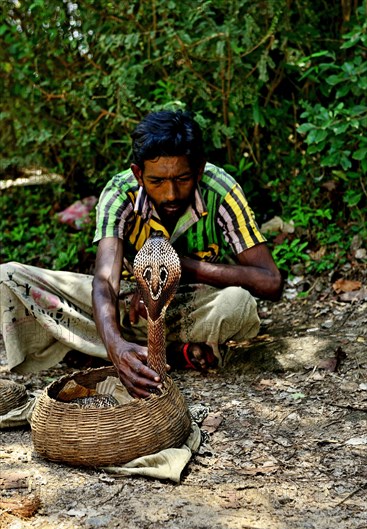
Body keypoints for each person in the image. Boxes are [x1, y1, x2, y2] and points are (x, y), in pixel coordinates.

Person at [0, 109, 282, 399]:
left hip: (188, 304)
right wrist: (117, 346)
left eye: (183, 179)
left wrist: (179, 267)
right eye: (157, 182)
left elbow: (270, 282)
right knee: (9, 277)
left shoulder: (220, 189)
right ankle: (137, 352)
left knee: (238, 305)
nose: (171, 194)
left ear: (199, 170)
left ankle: (96, 351)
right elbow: (105, 283)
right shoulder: (120, 192)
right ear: (138, 174)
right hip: (128, 310)